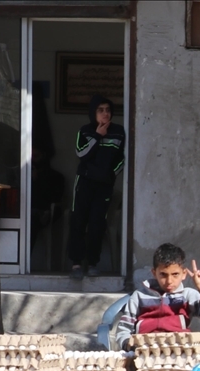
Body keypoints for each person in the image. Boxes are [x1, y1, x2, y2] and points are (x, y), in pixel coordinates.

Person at [68, 95, 126, 279]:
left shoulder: (118, 131)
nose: (105, 114)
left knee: (97, 224)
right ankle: (76, 263)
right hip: (85, 183)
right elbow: (81, 153)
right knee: (78, 221)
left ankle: (92, 263)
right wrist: (97, 136)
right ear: (93, 112)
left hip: (104, 185)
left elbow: (121, 158)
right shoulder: (85, 131)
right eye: (100, 110)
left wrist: (112, 175)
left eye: (108, 110)